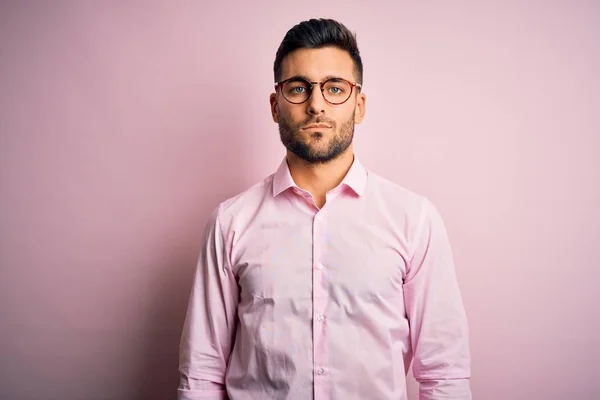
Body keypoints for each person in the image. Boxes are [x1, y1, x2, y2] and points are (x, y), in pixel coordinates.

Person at [177, 18, 472, 400]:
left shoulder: (413, 220)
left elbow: (444, 373)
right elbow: (201, 376)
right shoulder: (230, 224)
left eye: (335, 88)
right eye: (298, 88)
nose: (316, 105)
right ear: (275, 105)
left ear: (359, 105)